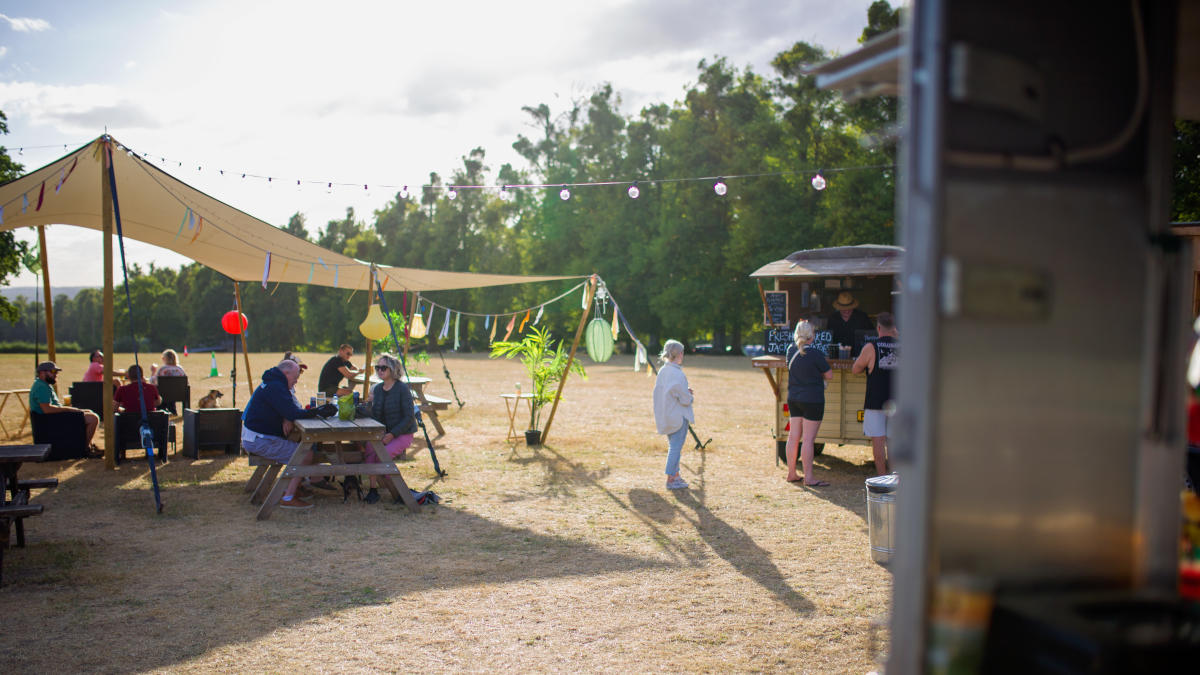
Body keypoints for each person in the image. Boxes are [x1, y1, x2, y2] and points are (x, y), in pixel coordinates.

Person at [242, 360, 336, 509]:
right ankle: (288, 496)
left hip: (256, 437)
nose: (296, 381)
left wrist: (288, 416)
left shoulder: (274, 382)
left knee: (302, 449)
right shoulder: (276, 387)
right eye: (295, 377)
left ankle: (296, 488)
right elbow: (293, 412)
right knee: (306, 455)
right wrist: (318, 411)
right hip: (259, 440)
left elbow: (288, 410)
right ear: (286, 373)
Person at [361, 353, 418, 504]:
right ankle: (373, 490)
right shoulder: (378, 389)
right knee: (369, 451)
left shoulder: (402, 389)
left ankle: (398, 490)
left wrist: (392, 434)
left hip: (403, 433)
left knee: (382, 456)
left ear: (393, 369)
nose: (379, 370)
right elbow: (376, 415)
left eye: (383, 368)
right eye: (377, 367)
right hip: (384, 433)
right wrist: (361, 410)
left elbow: (409, 417)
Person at [785, 320, 834, 486]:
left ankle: (791, 473)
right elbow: (829, 375)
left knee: (793, 437)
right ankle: (809, 477)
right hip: (813, 399)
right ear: (811, 336)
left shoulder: (790, 350)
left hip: (793, 398)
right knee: (808, 440)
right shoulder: (816, 354)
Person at [852, 312, 898, 475]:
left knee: (878, 444)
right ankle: (895, 479)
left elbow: (855, 369)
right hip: (896, 403)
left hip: (875, 401)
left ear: (878, 328)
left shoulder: (870, 347)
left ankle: (882, 479)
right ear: (894, 328)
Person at [30, 361, 101, 455]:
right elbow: (47, 409)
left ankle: (89, 446)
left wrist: (67, 408)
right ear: (42, 373)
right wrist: (67, 409)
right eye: (53, 371)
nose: (56, 374)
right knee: (93, 418)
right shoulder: (41, 387)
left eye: (56, 372)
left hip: (52, 418)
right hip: (50, 422)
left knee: (89, 412)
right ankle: (83, 449)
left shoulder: (43, 384)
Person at [652, 339, 694, 490]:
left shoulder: (663, 371)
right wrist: (690, 396)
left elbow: (668, 392)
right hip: (678, 416)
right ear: (679, 354)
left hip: (666, 414)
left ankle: (675, 475)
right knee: (676, 447)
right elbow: (683, 398)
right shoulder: (677, 373)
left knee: (673, 445)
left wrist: (685, 392)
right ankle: (671, 478)